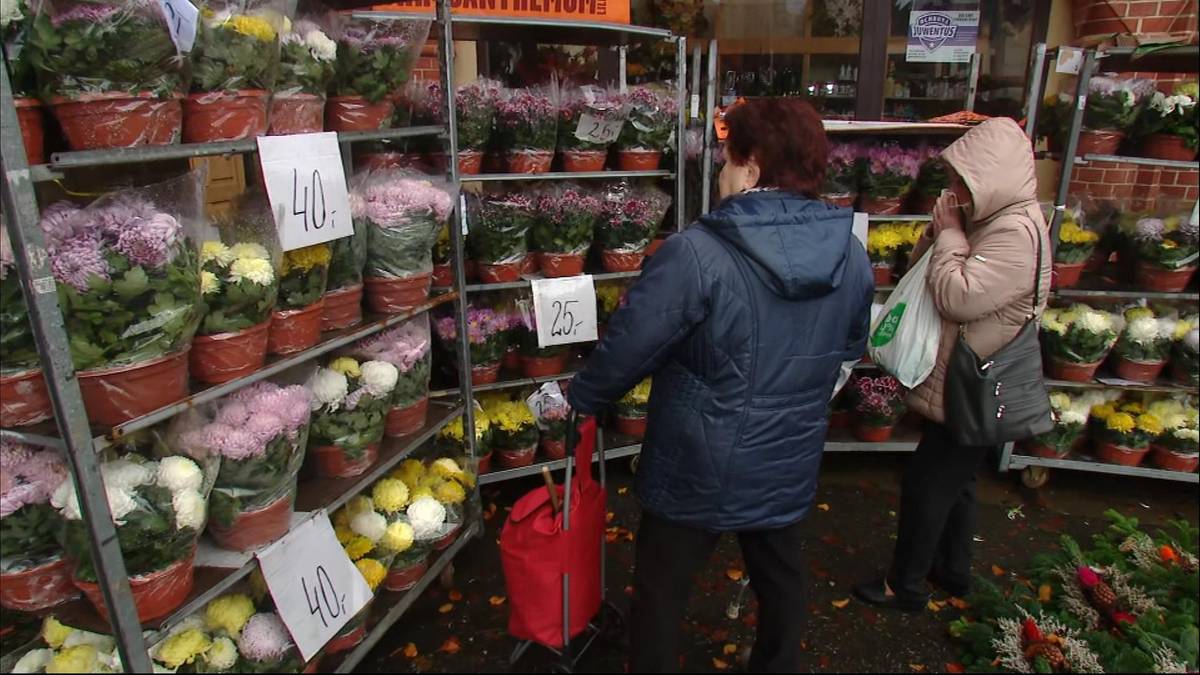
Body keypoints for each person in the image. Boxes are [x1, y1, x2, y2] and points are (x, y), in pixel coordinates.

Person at [566, 98, 874, 673]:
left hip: (698, 458)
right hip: (787, 451)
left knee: (662, 587)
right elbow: (849, 348)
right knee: (780, 577)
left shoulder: (696, 253)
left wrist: (579, 399)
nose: (720, 174)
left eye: (727, 161)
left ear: (751, 168)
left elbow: (632, 345)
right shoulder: (851, 256)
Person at [852, 117, 1051, 611]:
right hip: (964, 379)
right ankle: (953, 571)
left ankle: (905, 586)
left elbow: (958, 298)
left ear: (992, 179)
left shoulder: (1014, 233)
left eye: (964, 181)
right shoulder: (988, 219)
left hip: (974, 381)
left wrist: (950, 235)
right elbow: (923, 271)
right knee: (957, 482)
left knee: (927, 484)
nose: (955, 190)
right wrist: (939, 233)